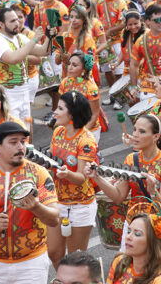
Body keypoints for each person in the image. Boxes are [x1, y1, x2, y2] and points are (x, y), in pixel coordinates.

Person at [0, 122, 59, 283]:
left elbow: (54, 218)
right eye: (13, 142)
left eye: (23, 141)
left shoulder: (39, 173)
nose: (20, 147)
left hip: (31, 264)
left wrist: (36, 207)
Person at [84, 113, 161, 251]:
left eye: (142, 131)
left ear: (156, 137)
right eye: (135, 130)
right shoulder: (131, 159)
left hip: (156, 227)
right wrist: (96, 177)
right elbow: (118, 196)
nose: (135, 135)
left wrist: (153, 192)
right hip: (133, 225)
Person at [47, 91, 98, 269]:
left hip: (79, 206)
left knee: (76, 261)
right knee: (53, 252)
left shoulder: (86, 141)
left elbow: (82, 178)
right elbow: (53, 162)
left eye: (60, 108)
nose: (55, 111)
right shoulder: (58, 132)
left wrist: (67, 174)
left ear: (72, 114)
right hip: (57, 202)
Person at [0, 7, 55, 129]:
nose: (17, 23)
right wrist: (35, 39)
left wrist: (49, 37)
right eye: (12, 21)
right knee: (13, 129)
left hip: (24, 90)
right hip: (7, 92)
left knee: (25, 129)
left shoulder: (20, 38)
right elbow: (13, 58)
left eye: (18, 20)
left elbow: (43, 52)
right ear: (1, 24)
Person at [106, 205, 161, 283]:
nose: (128, 237)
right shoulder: (119, 261)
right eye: (129, 231)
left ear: (152, 242)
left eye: (137, 234)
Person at [97, 0, 127, 104]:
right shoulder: (99, 1)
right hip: (104, 42)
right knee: (107, 69)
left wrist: (110, 31)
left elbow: (125, 22)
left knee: (118, 71)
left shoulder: (121, 3)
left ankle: (119, 98)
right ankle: (112, 94)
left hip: (116, 42)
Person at [58, 53, 101, 141]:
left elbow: (94, 115)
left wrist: (80, 133)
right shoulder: (65, 83)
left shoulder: (91, 88)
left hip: (88, 130)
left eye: (74, 65)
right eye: (69, 64)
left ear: (84, 69)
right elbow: (61, 107)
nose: (69, 67)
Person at [111, 10, 145, 76]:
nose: (133, 27)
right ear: (126, 24)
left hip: (142, 73)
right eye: (130, 24)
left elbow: (148, 56)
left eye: (136, 23)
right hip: (128, 71)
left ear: (141, 21)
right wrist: (117, 63)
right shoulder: (124, 32)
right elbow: (123, 50)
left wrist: (135, 66)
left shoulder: (146, 34)